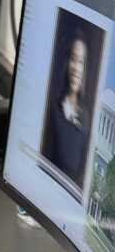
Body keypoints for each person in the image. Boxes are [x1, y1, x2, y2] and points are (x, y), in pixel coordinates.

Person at [41, 30, 91, 188]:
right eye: (73, 59)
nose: (76, 68)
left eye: (81, 62)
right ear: (66, 62)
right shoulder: (53, 108)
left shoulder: (86, 117)